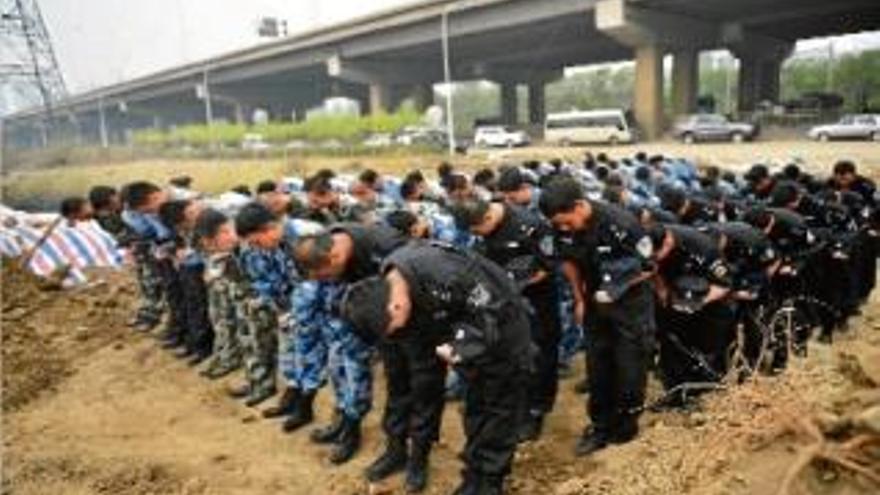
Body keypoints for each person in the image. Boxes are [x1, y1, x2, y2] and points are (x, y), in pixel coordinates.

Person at [341, 241, 533, 495]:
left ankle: (489, 482)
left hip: (503, 332)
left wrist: (462, 346)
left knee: (499, 410)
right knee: (476, 407)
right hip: (462, 334)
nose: (399, 334)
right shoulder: (391, 278)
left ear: (395, 306)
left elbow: (495, 310)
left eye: (395, 328)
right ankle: (474, 475)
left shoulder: (446, 274)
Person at [539, 176, 655, 456]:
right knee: (598, 368)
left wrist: (617, 289)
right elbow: (568, 261)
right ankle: (600, 426)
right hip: (594, 303)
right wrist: (579, 299)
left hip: (629, 304)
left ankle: (626, 426)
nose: (564, 227)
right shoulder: (560, 227)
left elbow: (648, 267)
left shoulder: (622, 224)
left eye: (567, 221)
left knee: (629, 369)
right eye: (558, 224)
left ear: (580, 205)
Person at [450, 198, 560, 442]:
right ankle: (516, 405)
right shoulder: (480, 228)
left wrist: (511, 285)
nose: (476, 235)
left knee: (539, 355)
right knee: (511, 353)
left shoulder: (530, 226)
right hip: (503, 304)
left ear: (488, 217)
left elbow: (547, 267)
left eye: (477, 230)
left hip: (536, 302)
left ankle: (536, 410)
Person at [195, 209, 246, 379]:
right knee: (219, 320)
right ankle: (222, 355)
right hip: (219, 292)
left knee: (229, 322)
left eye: (228, 230)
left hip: (235, 293)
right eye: (223, 232)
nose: (230, 236)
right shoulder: (209, 250)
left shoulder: (240, 249)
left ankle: (231, 358)